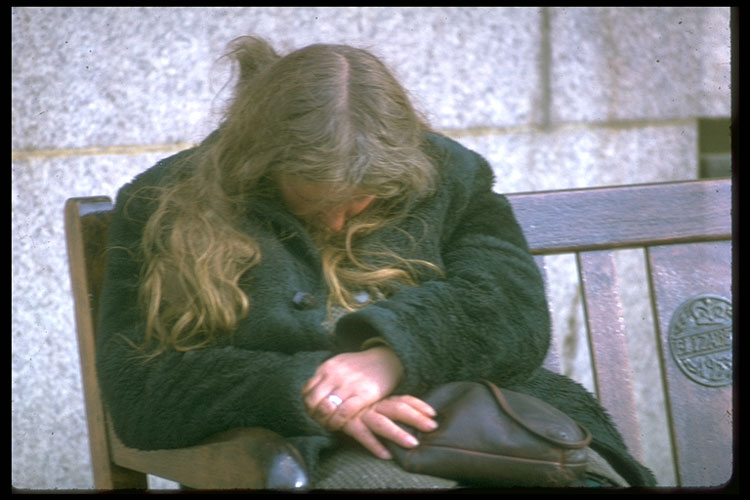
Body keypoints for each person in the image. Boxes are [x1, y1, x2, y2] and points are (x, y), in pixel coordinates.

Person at [95, 35, 656, 489]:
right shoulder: (163, 200)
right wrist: (313, 393)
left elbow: (512, 308)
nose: (339, 223)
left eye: (360, 201)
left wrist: (391, 356)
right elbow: (142, 387)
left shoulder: (447, 173)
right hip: (313, 450)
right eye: (315, 200)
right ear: (261, 162)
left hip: (493, 425)